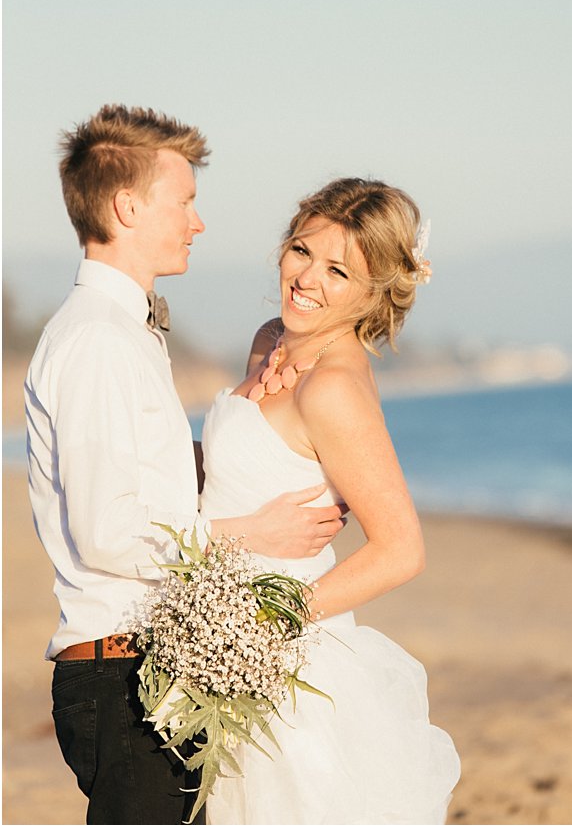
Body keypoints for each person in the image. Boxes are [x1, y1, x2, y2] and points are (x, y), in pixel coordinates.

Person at [24, 105, 346, 825]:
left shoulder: (122, 333)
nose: (198, 223)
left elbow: (141, 482)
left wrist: (251, 444)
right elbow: (107, 530)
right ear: (127, 206)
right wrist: (248, 532)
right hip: (121, 677)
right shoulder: (99, 341)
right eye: (186, 201)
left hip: (142, 666)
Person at [199, 177, 461, 824]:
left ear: (372, 292)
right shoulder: (272, 340)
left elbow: (401, 549)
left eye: (338, 270)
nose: (307, 278)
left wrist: (267, 627)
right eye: (301, 250)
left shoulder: (334, 387)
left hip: (281, 660)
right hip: (214, 631)